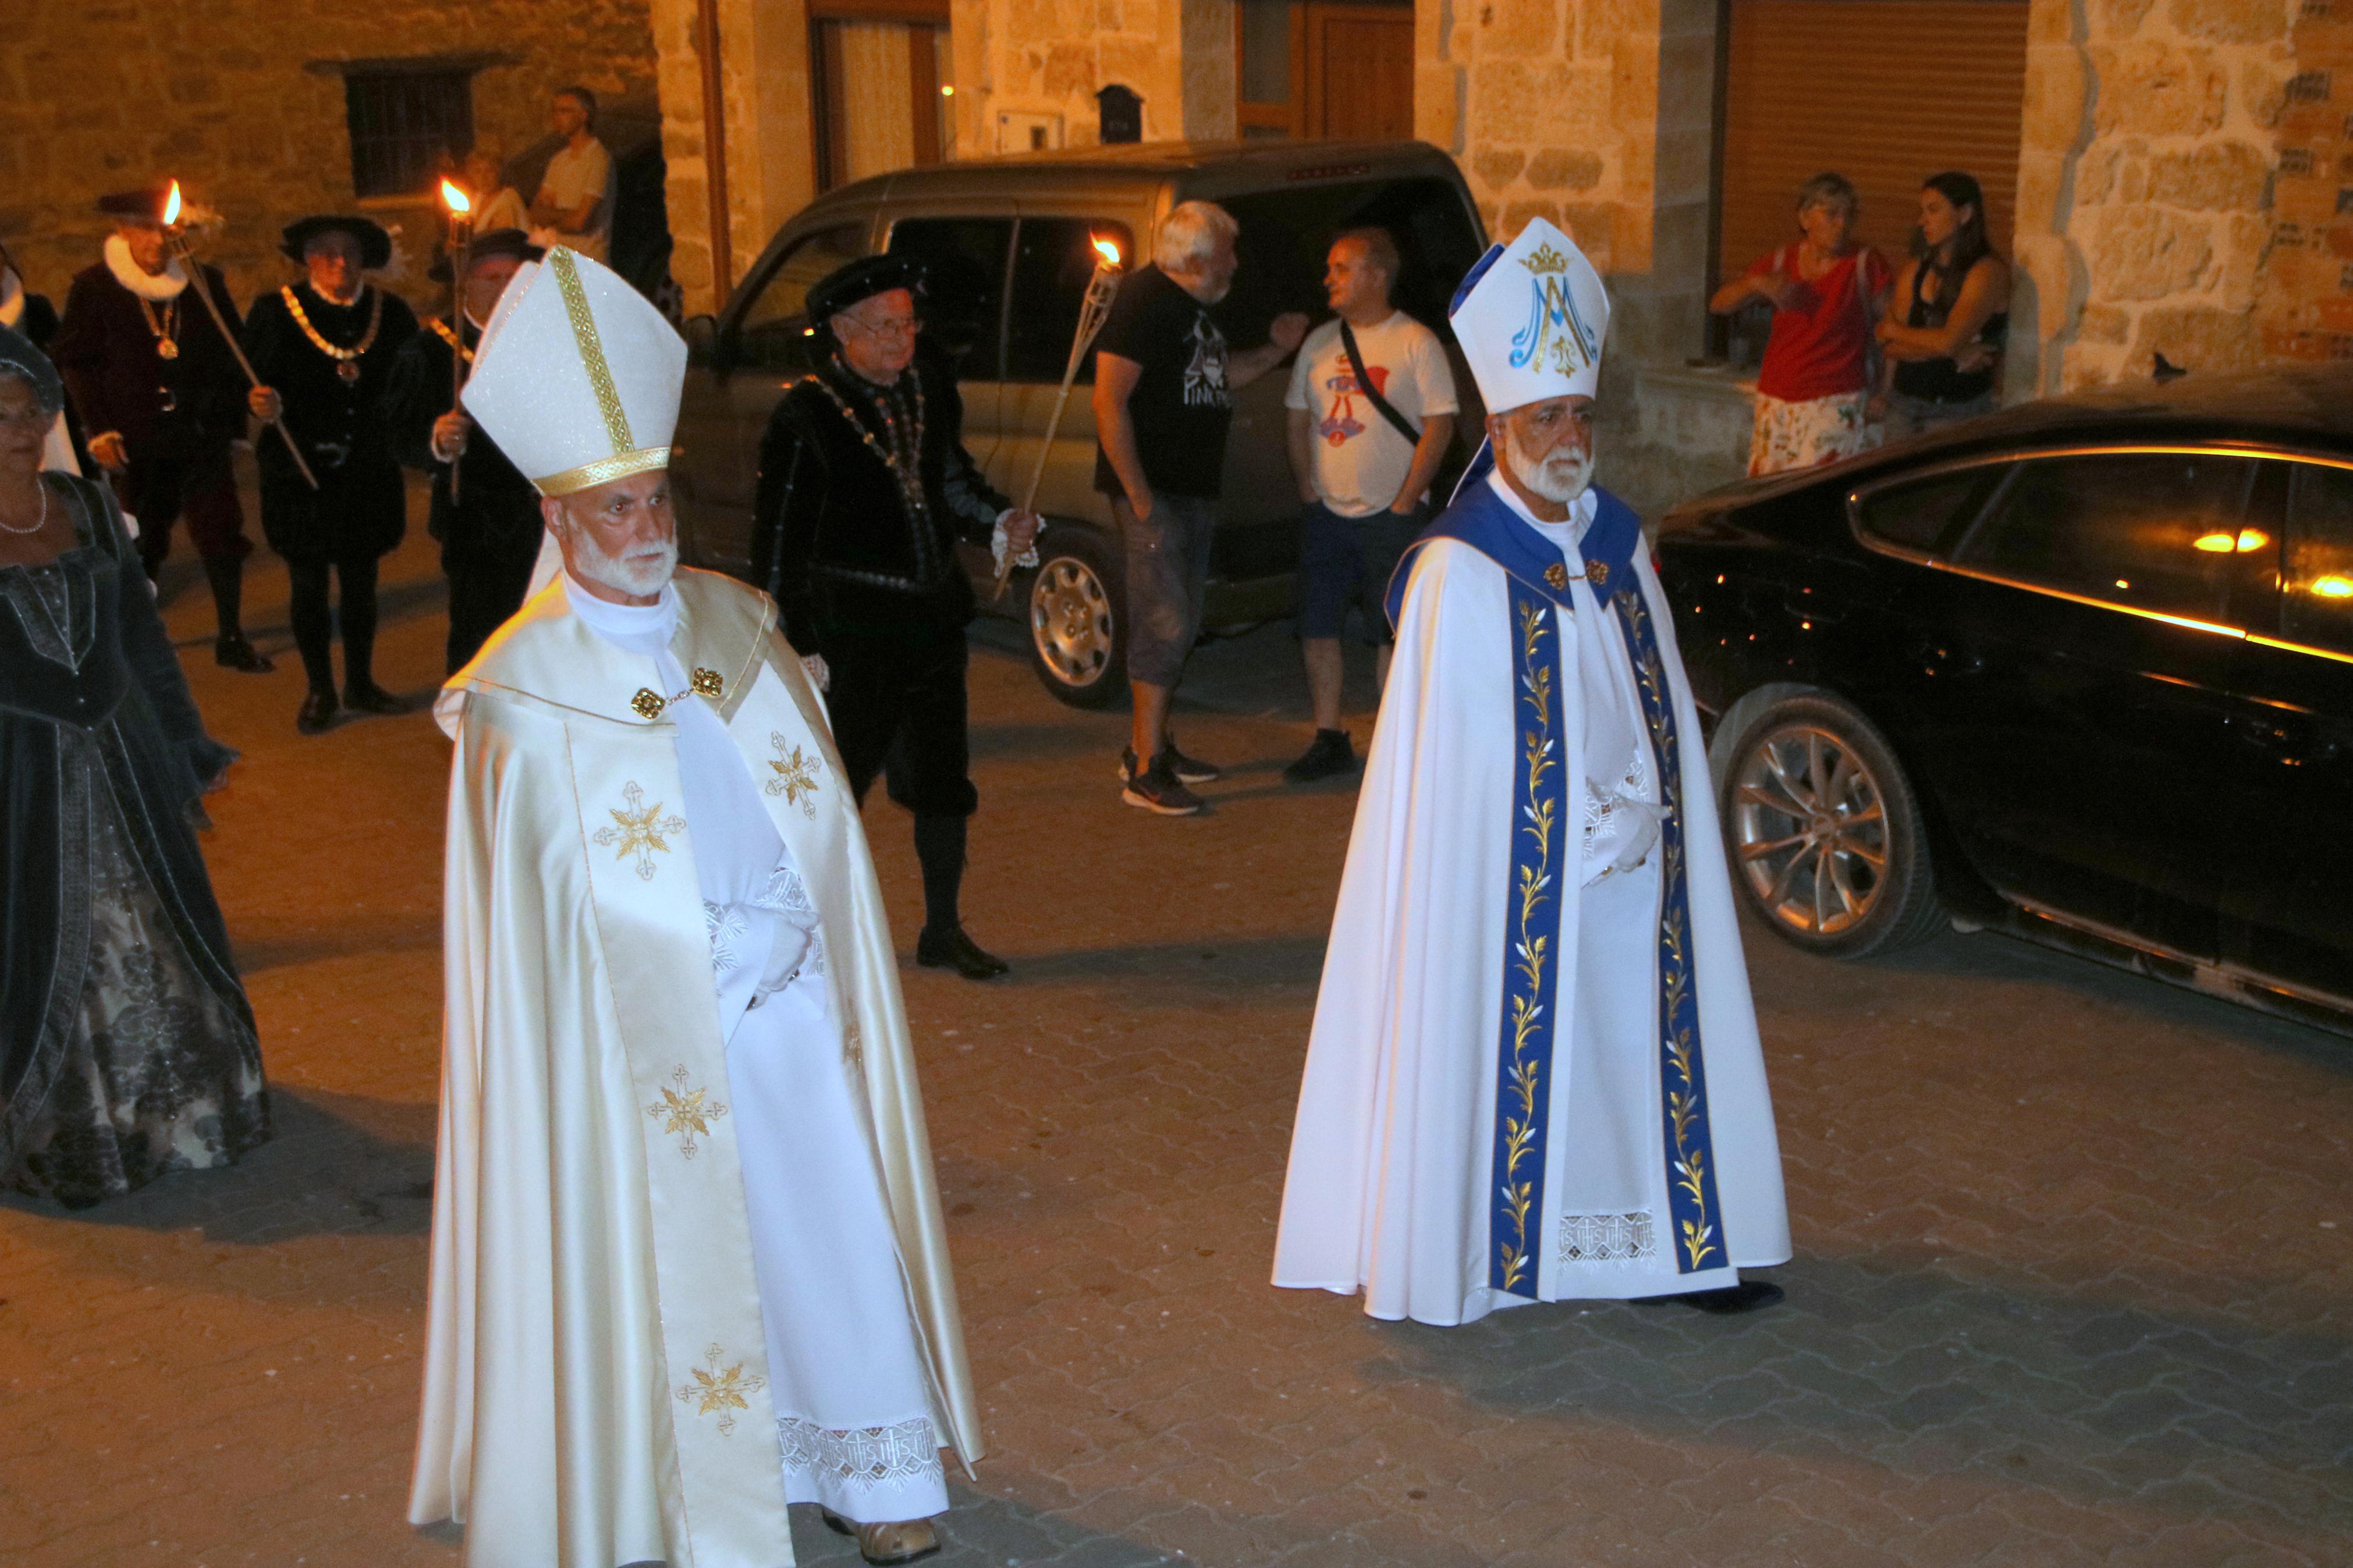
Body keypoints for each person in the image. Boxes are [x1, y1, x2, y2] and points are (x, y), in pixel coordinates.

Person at [409, 246, 981, 1568]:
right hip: (630, 1045)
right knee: (671, 1249)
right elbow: (531, 920)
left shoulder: (737, 622)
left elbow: (811, 809)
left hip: (775, 1001)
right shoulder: (514, 695)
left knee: (825, 1215)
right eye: (613, 510)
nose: (647, 528)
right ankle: (657, 1479)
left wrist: (789, 915)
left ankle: (869, 1460)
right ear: (558, 526)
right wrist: (682, 948)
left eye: (655, 497)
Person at [1272, 219, 1791, 1325]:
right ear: (1497, 425)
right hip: (1516, 893)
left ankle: (1669, 1250)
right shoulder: (1459, 571)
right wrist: (1568, 828)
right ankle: (1492, 1250)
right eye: (1542, 415)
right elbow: (1451, 779)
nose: (1565, 435)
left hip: (1635, 867)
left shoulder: (1615, 541)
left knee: (1642, 1048)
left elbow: (1646, 699)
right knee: (1531, 1063)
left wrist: (1647, 812)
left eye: (1577, 414)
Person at [0, 323, 271, 1209]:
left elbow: (143, 638)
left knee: (160, 933)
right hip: (22, 776)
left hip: (124, 758)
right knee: (51, 946)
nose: (17, 425)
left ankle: (192, 1110)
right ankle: (81, 1126)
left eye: (30, 408)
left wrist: (185, 741)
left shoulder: (83, 504)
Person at [749, 255, 1041, 980]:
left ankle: (942, 928)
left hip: (933, 624)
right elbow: (777, 540)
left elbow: (948, 481)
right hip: (852, 632)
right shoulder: (806, 415)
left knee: (945, 782)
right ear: (842, 332)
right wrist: (798, 640)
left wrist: (999, 520)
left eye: (908, 323)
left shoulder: (926, 387)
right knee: (834, 788)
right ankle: (799, 938)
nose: (900, 338)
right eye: (883, 326)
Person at [1092, 200, 1308, 815]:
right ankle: (1144, 770)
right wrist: (1139, 499)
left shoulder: (1191, 311)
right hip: (1155, 492)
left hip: (1189, 490)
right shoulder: (1143, 301)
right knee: (1163, 621)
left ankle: (1150, 743)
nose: (1235, 265)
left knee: (1179, 619)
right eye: (1226, 253)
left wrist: (1273, 348)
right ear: (1194, 259)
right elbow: (1108, 402)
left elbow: (1218, 376)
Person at [51, 186, 271, 671]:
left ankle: (231, 635)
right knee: (143, 537)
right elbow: (77, 363)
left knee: (220, 530)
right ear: (124, 231)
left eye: (166, 230)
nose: (157, 241)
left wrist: (238, 419)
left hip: (199, 431)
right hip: (136, 437)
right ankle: (138, 633)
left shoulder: (202, 281)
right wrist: (100, 430)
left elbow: (232, 357)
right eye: (146, 230)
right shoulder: (96, 287)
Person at [1281, 227, 1457, 783]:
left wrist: (1407, 498)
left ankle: (1393, 745)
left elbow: (1441, 424)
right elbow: (1297, 415)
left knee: (1393, 628)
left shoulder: (1414, 342)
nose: (1327, 280)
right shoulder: (1318, 343)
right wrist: (1307, 487)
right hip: (1327, 512)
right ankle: (1329, 735)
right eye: (1329, 268)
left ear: (1377, 276)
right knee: (1318, 623)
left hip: (1392, 514)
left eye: (1341, 268)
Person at [243, 215, 420, 733]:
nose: (338, 262)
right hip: (299, 468)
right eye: (325, 252)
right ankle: (320, 688)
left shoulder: (393, 313)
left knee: (362, 581)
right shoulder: (274, 311)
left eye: (348, 251)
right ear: (307, 258)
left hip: (367, 470)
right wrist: (257, 402)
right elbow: (249, 380)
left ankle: (360, 682)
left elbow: (409, 384)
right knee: (308, 581)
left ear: (365, 258)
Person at [383, 227, 545, 673]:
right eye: (491, 278)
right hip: (473, 516)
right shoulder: (431, 351)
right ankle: (473, 727)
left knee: (541, 630)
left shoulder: (544, 340)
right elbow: (395, 430)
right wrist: (435, 439)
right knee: (480, 633)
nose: (503, 289)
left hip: (542, 514)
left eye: (513, 278)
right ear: (465, 283)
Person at [1708, 172, 1893, 477]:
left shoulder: (1863, 265)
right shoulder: (1783, 261)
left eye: (1848, 216)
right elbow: (1720, 304)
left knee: (1813, 490)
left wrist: (1884, 392)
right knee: (1767, 492)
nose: (1841, 225)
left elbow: (1892, 329)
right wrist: (1756, 285)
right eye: (1831, 215)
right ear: (1805, 218)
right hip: (1778, 397)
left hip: (1835, 397)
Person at [1876, 170, 2011, 439]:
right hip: (1903, 405)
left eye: (1934, 210)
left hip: (1955, 411)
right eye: (1922, 210)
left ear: (1964, 214)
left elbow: (1947, 339)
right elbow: (1888, 347)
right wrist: (1955, 351)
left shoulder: (1987, 272)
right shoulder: (1915, 269)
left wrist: (1895, 331)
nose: (1922, 220)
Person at [529, 86, 613, 263]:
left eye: (565, 111)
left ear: (584, 115)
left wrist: (552, 218)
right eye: (556, 111)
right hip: (560, 260)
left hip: (587, 261)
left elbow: (580, 222)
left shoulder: (598, 159)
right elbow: (536, 213)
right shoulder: (559, 161)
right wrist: (567, 215)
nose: (557, 117)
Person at [461, 144, 530, 237]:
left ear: (499, 172)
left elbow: (502, 241)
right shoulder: (478, 198)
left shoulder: (508, 200)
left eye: (489, 171)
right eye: (478, 171)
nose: (483, 178)